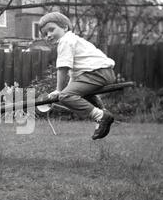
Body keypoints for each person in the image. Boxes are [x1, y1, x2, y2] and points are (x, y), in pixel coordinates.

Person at [39, 11, 116, 140]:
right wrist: (63, 89)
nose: (49, 35)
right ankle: (103, 114)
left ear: (65, 27)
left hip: (96, 72)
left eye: (51, 30)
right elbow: (75, 77)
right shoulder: (74, 40)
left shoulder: (65, 41)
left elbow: (63, 68)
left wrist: (59, 91)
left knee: (65, 96)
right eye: (45, 34)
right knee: (77, 93)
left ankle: (101, 116)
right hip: (102, 72)